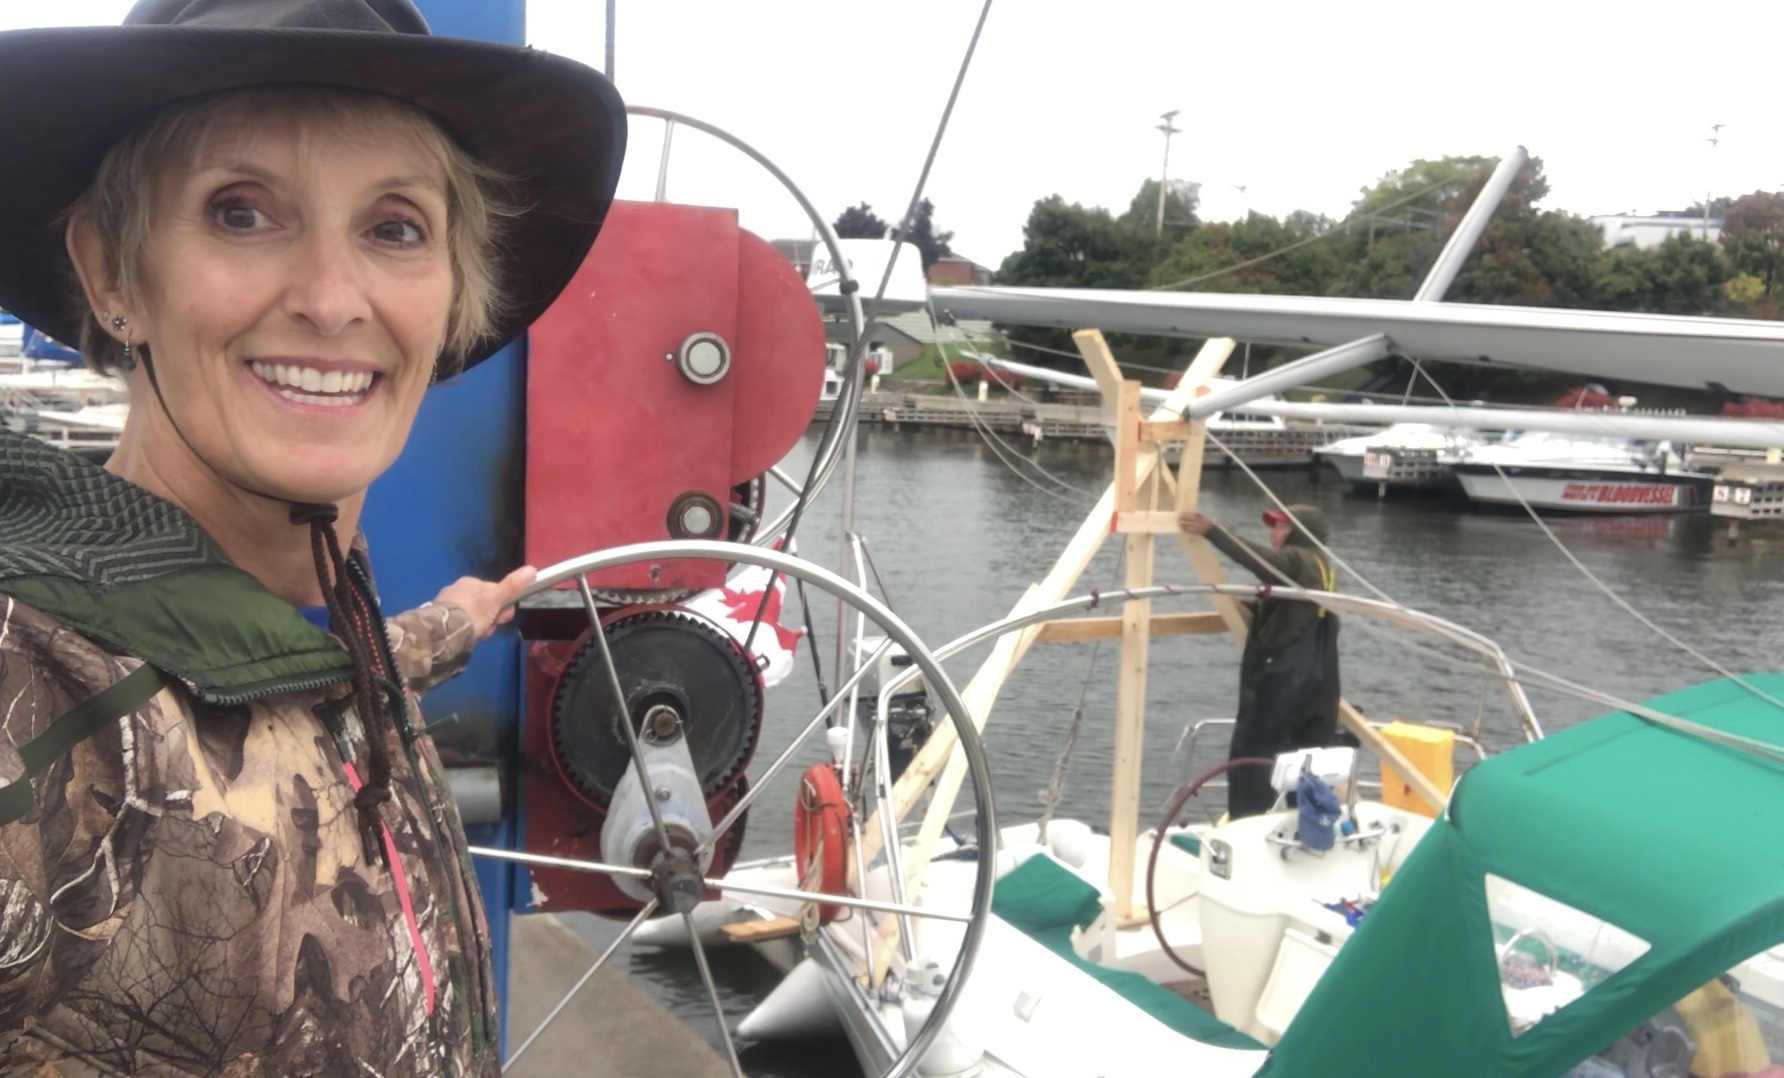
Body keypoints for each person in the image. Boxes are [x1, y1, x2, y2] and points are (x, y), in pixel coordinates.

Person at [0, 1, 625, 1073]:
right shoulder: (42, 699)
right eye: (241, 212)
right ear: (111, 272)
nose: (334, 300)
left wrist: (449, 624)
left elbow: (306, 673)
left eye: (394, 228)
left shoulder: (324, 611)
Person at [1179, 504, 1343, 818]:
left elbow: (1260, 561)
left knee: (1253, 756)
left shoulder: (1297, 558)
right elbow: (1296, 610)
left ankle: (1247, 823)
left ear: (1298, 532)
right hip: (1320, 681)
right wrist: (1257, 608)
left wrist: (1213, 531)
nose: (1273, 533)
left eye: (1281, 527)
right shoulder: (1324, 566)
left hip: (1284, 677)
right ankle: (1302, 822)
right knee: (1304, 756)